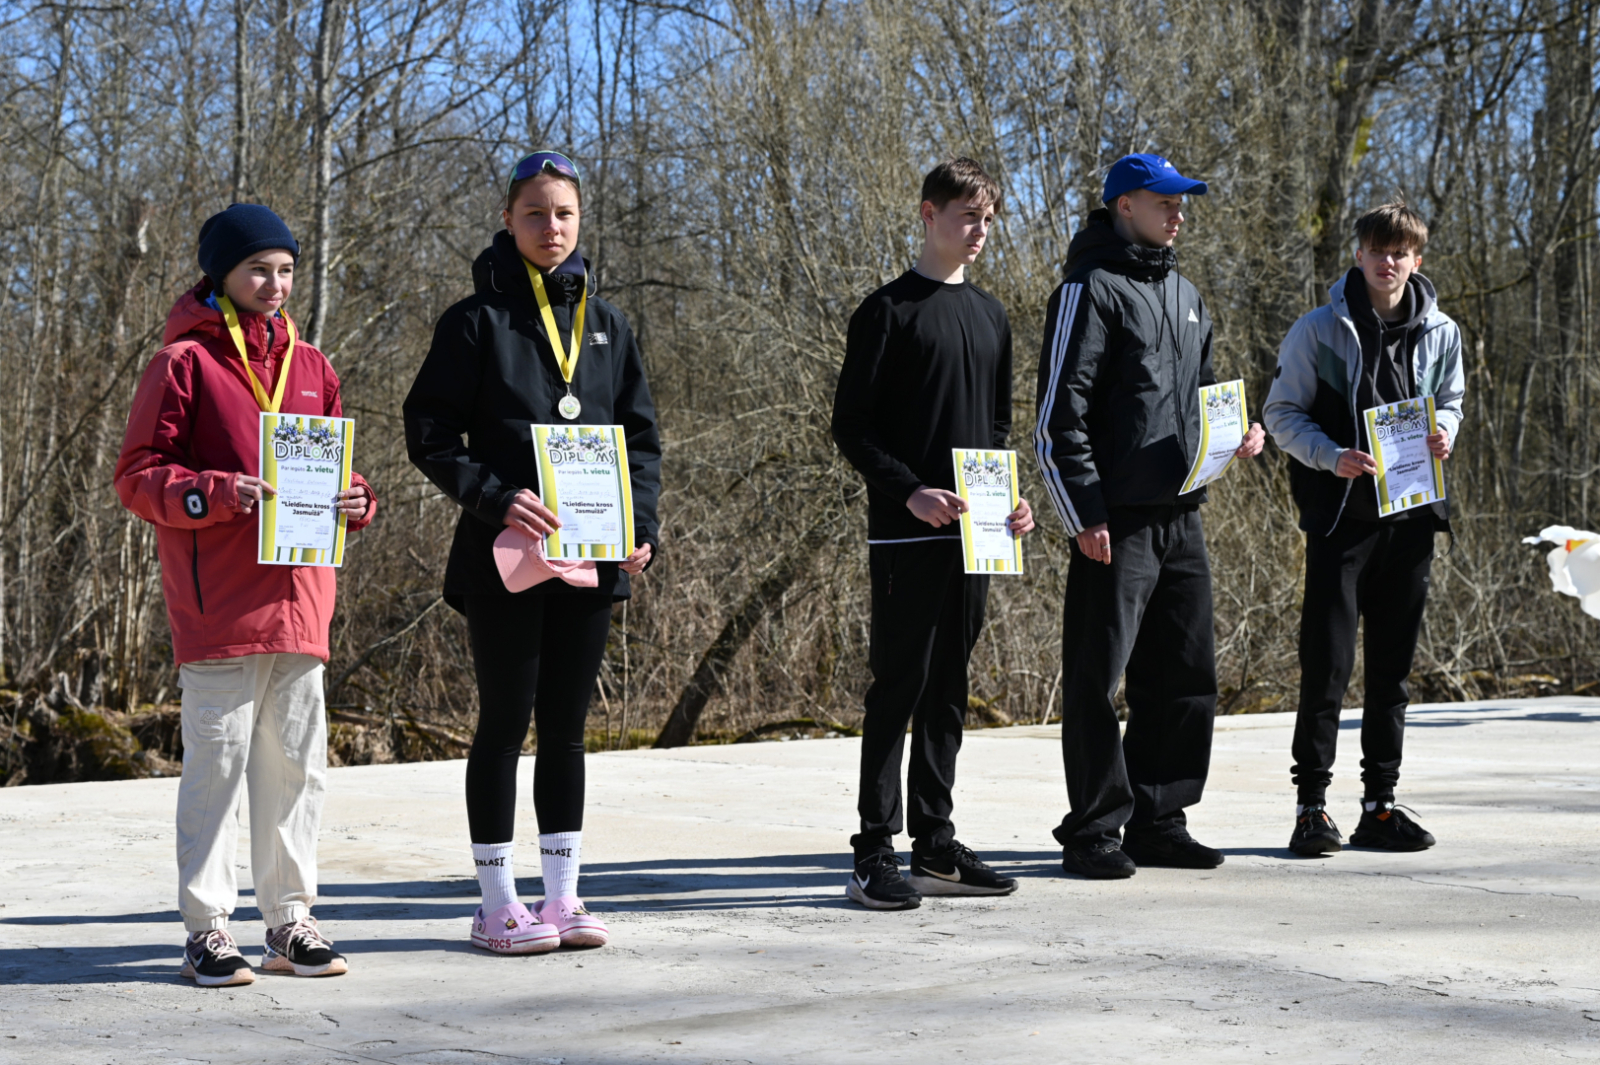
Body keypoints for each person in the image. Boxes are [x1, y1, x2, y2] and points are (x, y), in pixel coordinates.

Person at [404, 151, 661, 952]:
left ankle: (562, 899)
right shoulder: (474, 321)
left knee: (568, 728)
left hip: (591, 560)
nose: (550, 228)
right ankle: (494, 903)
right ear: (508, 222)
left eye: (564, 215)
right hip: (504, 558)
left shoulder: (610, 325)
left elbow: (641, 439)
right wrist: (491, 494)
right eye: (534, 214)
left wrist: (639, 522)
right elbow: (429, 432)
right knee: (504, 721)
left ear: (580, 222)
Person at [114, 203, 377, 986]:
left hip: (301, 598)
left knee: (296, 770)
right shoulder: (182, 365)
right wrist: (214, 492)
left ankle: (290, 919)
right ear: (221, 273)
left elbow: (338, 467)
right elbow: (137, 477)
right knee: (217, 770)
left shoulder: (313, 365)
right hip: (219, 604)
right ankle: (206, 927)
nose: (275, 283)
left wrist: (357, 499)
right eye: (259, 268)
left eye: (287, 269)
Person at [1034, 154, 1264, 880]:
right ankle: (1094, 828)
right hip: (1115, 521)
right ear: (1124, 203)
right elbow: (1056, 415)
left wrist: (1238, 437)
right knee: (1097, 677)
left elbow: (1202, 400)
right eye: (1165, 200)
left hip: (1182, 516)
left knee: (1186, 673)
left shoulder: (1188, 294)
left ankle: (1159, 816)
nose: (1179, 213)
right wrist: (1084, 511)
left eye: (1184, 201)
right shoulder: (1088, 288)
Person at [831, 157, 1035, 910]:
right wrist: (909, 490)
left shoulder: (990, 316)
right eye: (964, 217)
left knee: (950, 688)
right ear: (927, 215)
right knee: (899, 687)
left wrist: (1013, 504)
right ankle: (873, 849)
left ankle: (936, 843)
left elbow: (999, 428)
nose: (978, 231)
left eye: (987, 219)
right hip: (905, 537)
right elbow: (849, 427)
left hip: (978, 538)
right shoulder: (885, 312)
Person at [1262, 201, 1463, 856]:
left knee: (1392, 672)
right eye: (1378, 249)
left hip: (1412, 516)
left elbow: (1453, 401)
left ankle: (1379, 805)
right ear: (1358, 253)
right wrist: (1332, 456)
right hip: (1343, 519)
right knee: (1327, 665)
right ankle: (1311, 806)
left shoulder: (1442, 333)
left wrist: (1446, 434)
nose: (1388, 262)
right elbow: (1283, 414)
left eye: (1400, 252)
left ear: (1416, 260)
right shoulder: (1318, 330)